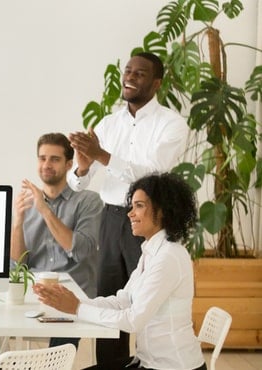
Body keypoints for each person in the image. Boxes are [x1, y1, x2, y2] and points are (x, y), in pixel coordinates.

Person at [67, 52, 189, 363]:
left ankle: (154, 362)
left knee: (148, 303)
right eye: (128, 71)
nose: (130, 77)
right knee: (111, 294)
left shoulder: (171, 124)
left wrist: (103, 156)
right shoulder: (108, 124)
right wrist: (82, 166)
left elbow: (153, 174)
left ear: (156, 82)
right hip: (110, 220)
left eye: (140, 73)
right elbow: (79, 183)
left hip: (149, 219)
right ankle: (110, 365)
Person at [0, 133, 102, 370]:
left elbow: (81, 249)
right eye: (42, 158)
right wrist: (18, 222)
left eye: (54, 159)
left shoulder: (88, 201)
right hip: (32, 295)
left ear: (69, 164)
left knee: (61, 343)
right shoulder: (26, 203)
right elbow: (15, 265)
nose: (46, 165)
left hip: (71, 295)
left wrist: (44, 209)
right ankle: (12, 367)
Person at [34, 173, 206, 370]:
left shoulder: (169, 257)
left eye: (139, 206)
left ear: (163, 211)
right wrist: (73, 302)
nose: (130, 213)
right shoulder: (150, 252)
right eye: (132, 206)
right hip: (146, 362)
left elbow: (133, 320)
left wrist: (76, 308)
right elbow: (122, 300)